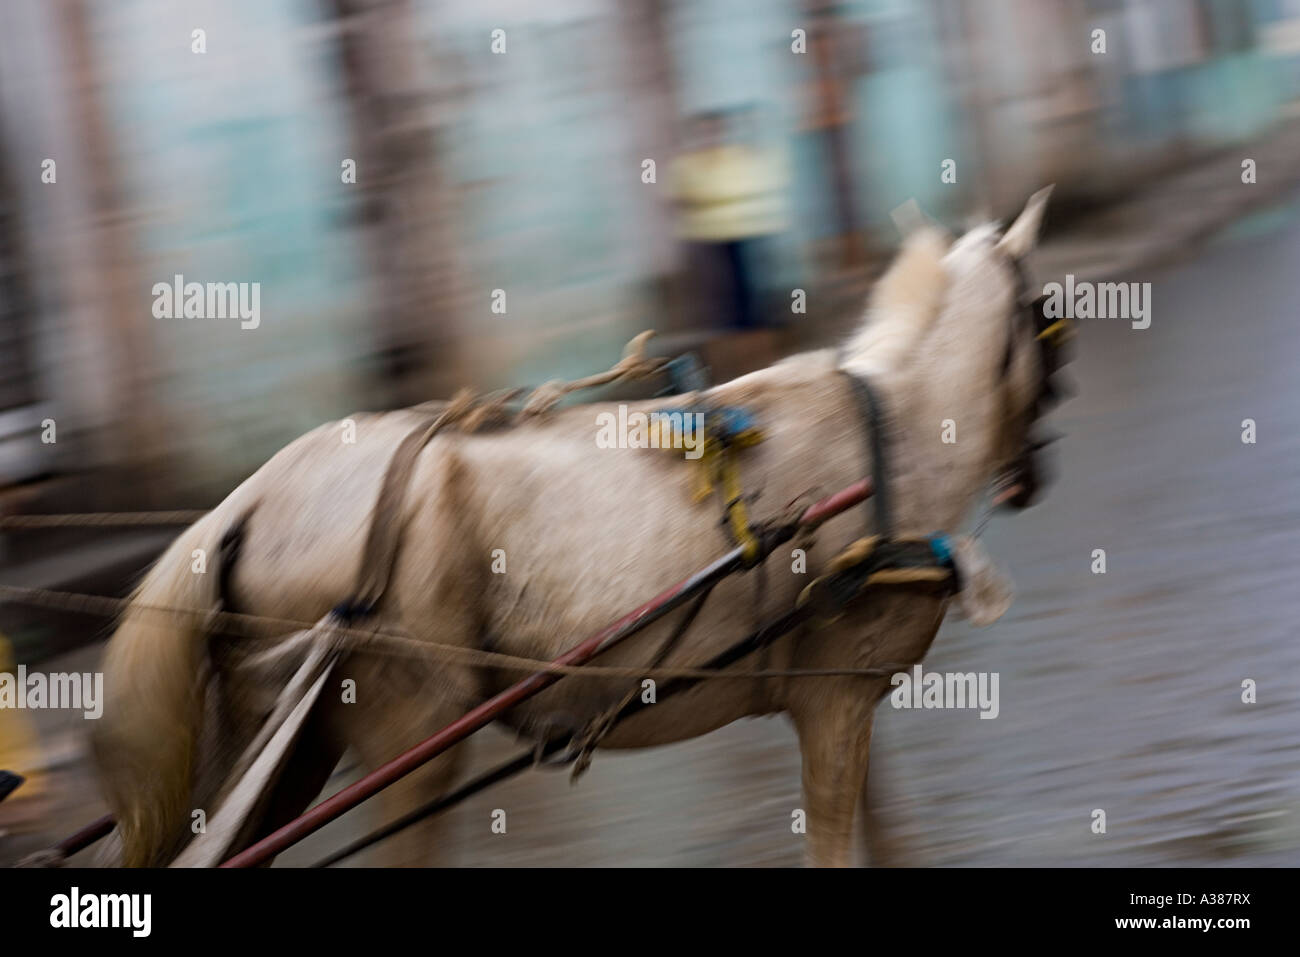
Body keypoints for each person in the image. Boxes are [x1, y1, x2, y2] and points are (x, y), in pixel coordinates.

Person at [667, 109, 789, 332]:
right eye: (705, 131)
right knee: (726, 280)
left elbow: (757, 177)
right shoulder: (688, 163)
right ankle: (734, 322)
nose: (711, 135)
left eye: (714, 129)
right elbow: (678, 196)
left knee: (753, 274)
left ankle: (759, 317)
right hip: (711, 231)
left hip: (746, 225)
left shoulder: (736, 155)